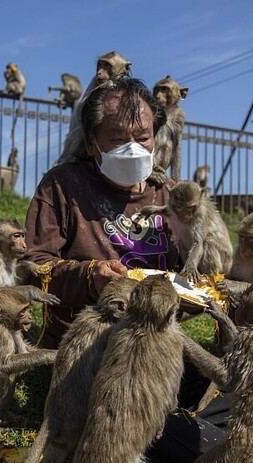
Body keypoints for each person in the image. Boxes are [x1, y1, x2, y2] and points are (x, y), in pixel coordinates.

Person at [25, 77, 181, 349]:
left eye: (142, 137)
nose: (132, 148)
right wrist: (90, 276)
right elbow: (31, 266)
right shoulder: (63, 186)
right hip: (80, 344)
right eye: (117, 139)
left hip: (154, 344)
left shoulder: (172, 196)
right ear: (90, 143)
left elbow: (197, 275)